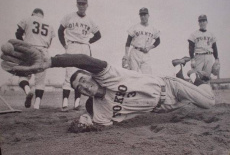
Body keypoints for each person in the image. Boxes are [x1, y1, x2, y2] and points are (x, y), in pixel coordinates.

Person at [1, 40, 215, 128]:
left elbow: (83, 61)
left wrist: (52, 62)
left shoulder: (108, 75)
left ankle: (202, 82)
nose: (84, 85)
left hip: (168, 86)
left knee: (207, 102)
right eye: (79, 88)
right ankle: (195, 82)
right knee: (194, 102)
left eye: (84, 79)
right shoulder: (100, 110)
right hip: (163, 106)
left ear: (92, 76)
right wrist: (83, 123)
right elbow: (93, 124)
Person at [58, 0, 101, 111]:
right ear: (77, 4)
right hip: (72, 45)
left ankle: (77, 103)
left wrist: (88, 41)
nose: (81, 6)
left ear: (87, 5)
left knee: (82, 75)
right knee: (69, 74)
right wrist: (64, 45)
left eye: (83, 4)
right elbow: (60, 30)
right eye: (80, 3)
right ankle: (65, 102)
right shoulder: (69, 17)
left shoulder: (90, 20)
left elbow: (98, 35)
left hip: (84, 48)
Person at [15, 8, 55, 109]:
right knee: (40, 82)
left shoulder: (28, 18)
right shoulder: (49, 24)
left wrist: (23, 46)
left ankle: (28, 91)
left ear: (33, 13)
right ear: (42, 15)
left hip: (29, 49)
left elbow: (18, 34)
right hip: (43, 51)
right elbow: (50, 42)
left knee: (22, 76)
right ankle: (37, 104)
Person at [123, 7, 160, 74]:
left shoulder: (153, 29)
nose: (143, 17)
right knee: (133, 75)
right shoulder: (134, 27)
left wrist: (149, 48)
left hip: (146, 54)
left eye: (144, 15)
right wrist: (126, 55)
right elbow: (128, 41)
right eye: (141, 15)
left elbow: (158, 41)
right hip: (135, 52)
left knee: (148, 75)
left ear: (148, 15)